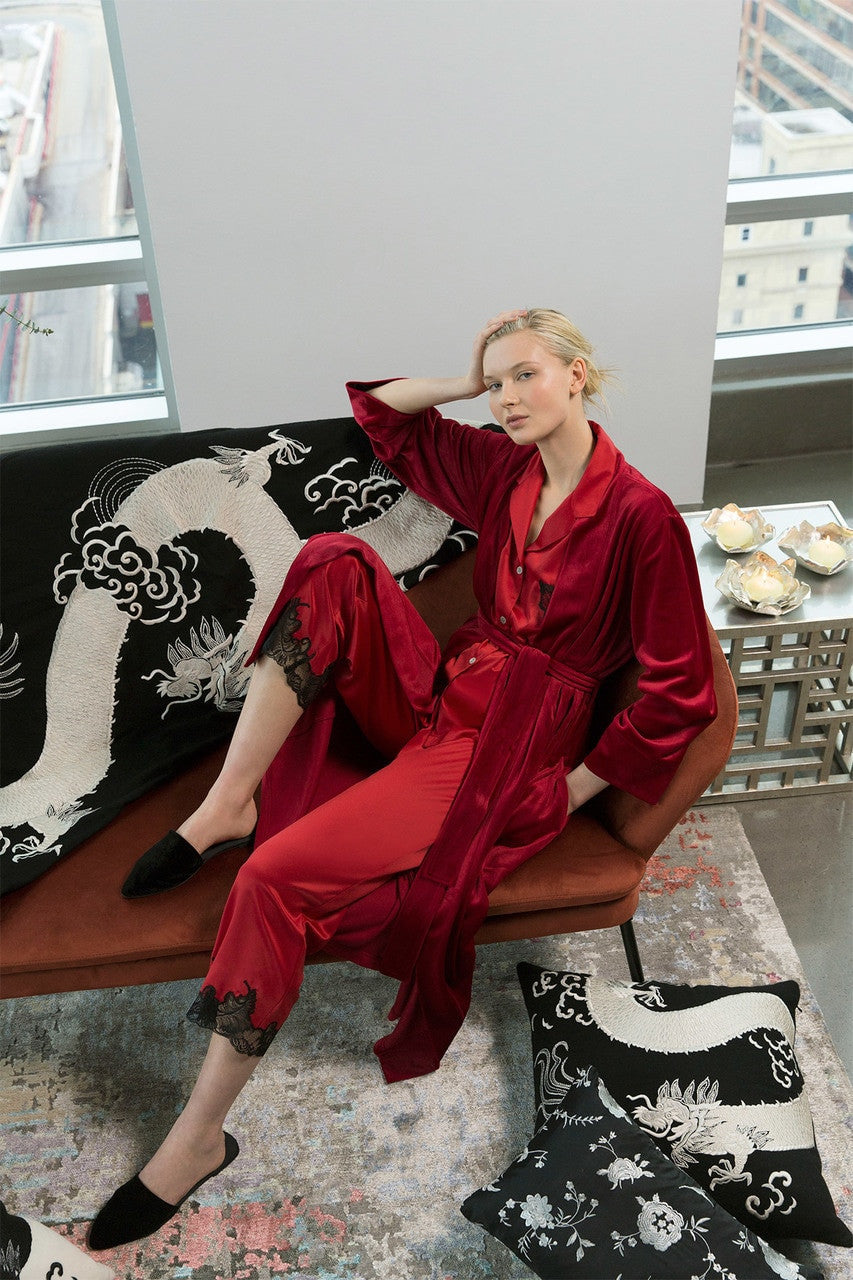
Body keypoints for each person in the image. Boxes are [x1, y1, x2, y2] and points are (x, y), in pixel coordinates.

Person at [88, 308, 717, 1250]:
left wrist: (570, 791)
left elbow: (680, 690)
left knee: (272, 881)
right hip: (451, 689)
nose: (506, 398)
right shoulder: (504, 467)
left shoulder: (641, 516)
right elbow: (383, 414)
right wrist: (464, 384)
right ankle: (229, 801)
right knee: (333, 559)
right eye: (494, 383)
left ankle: (198, 1135)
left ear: (578, 375)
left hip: (506, 745)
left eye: (525, 375)